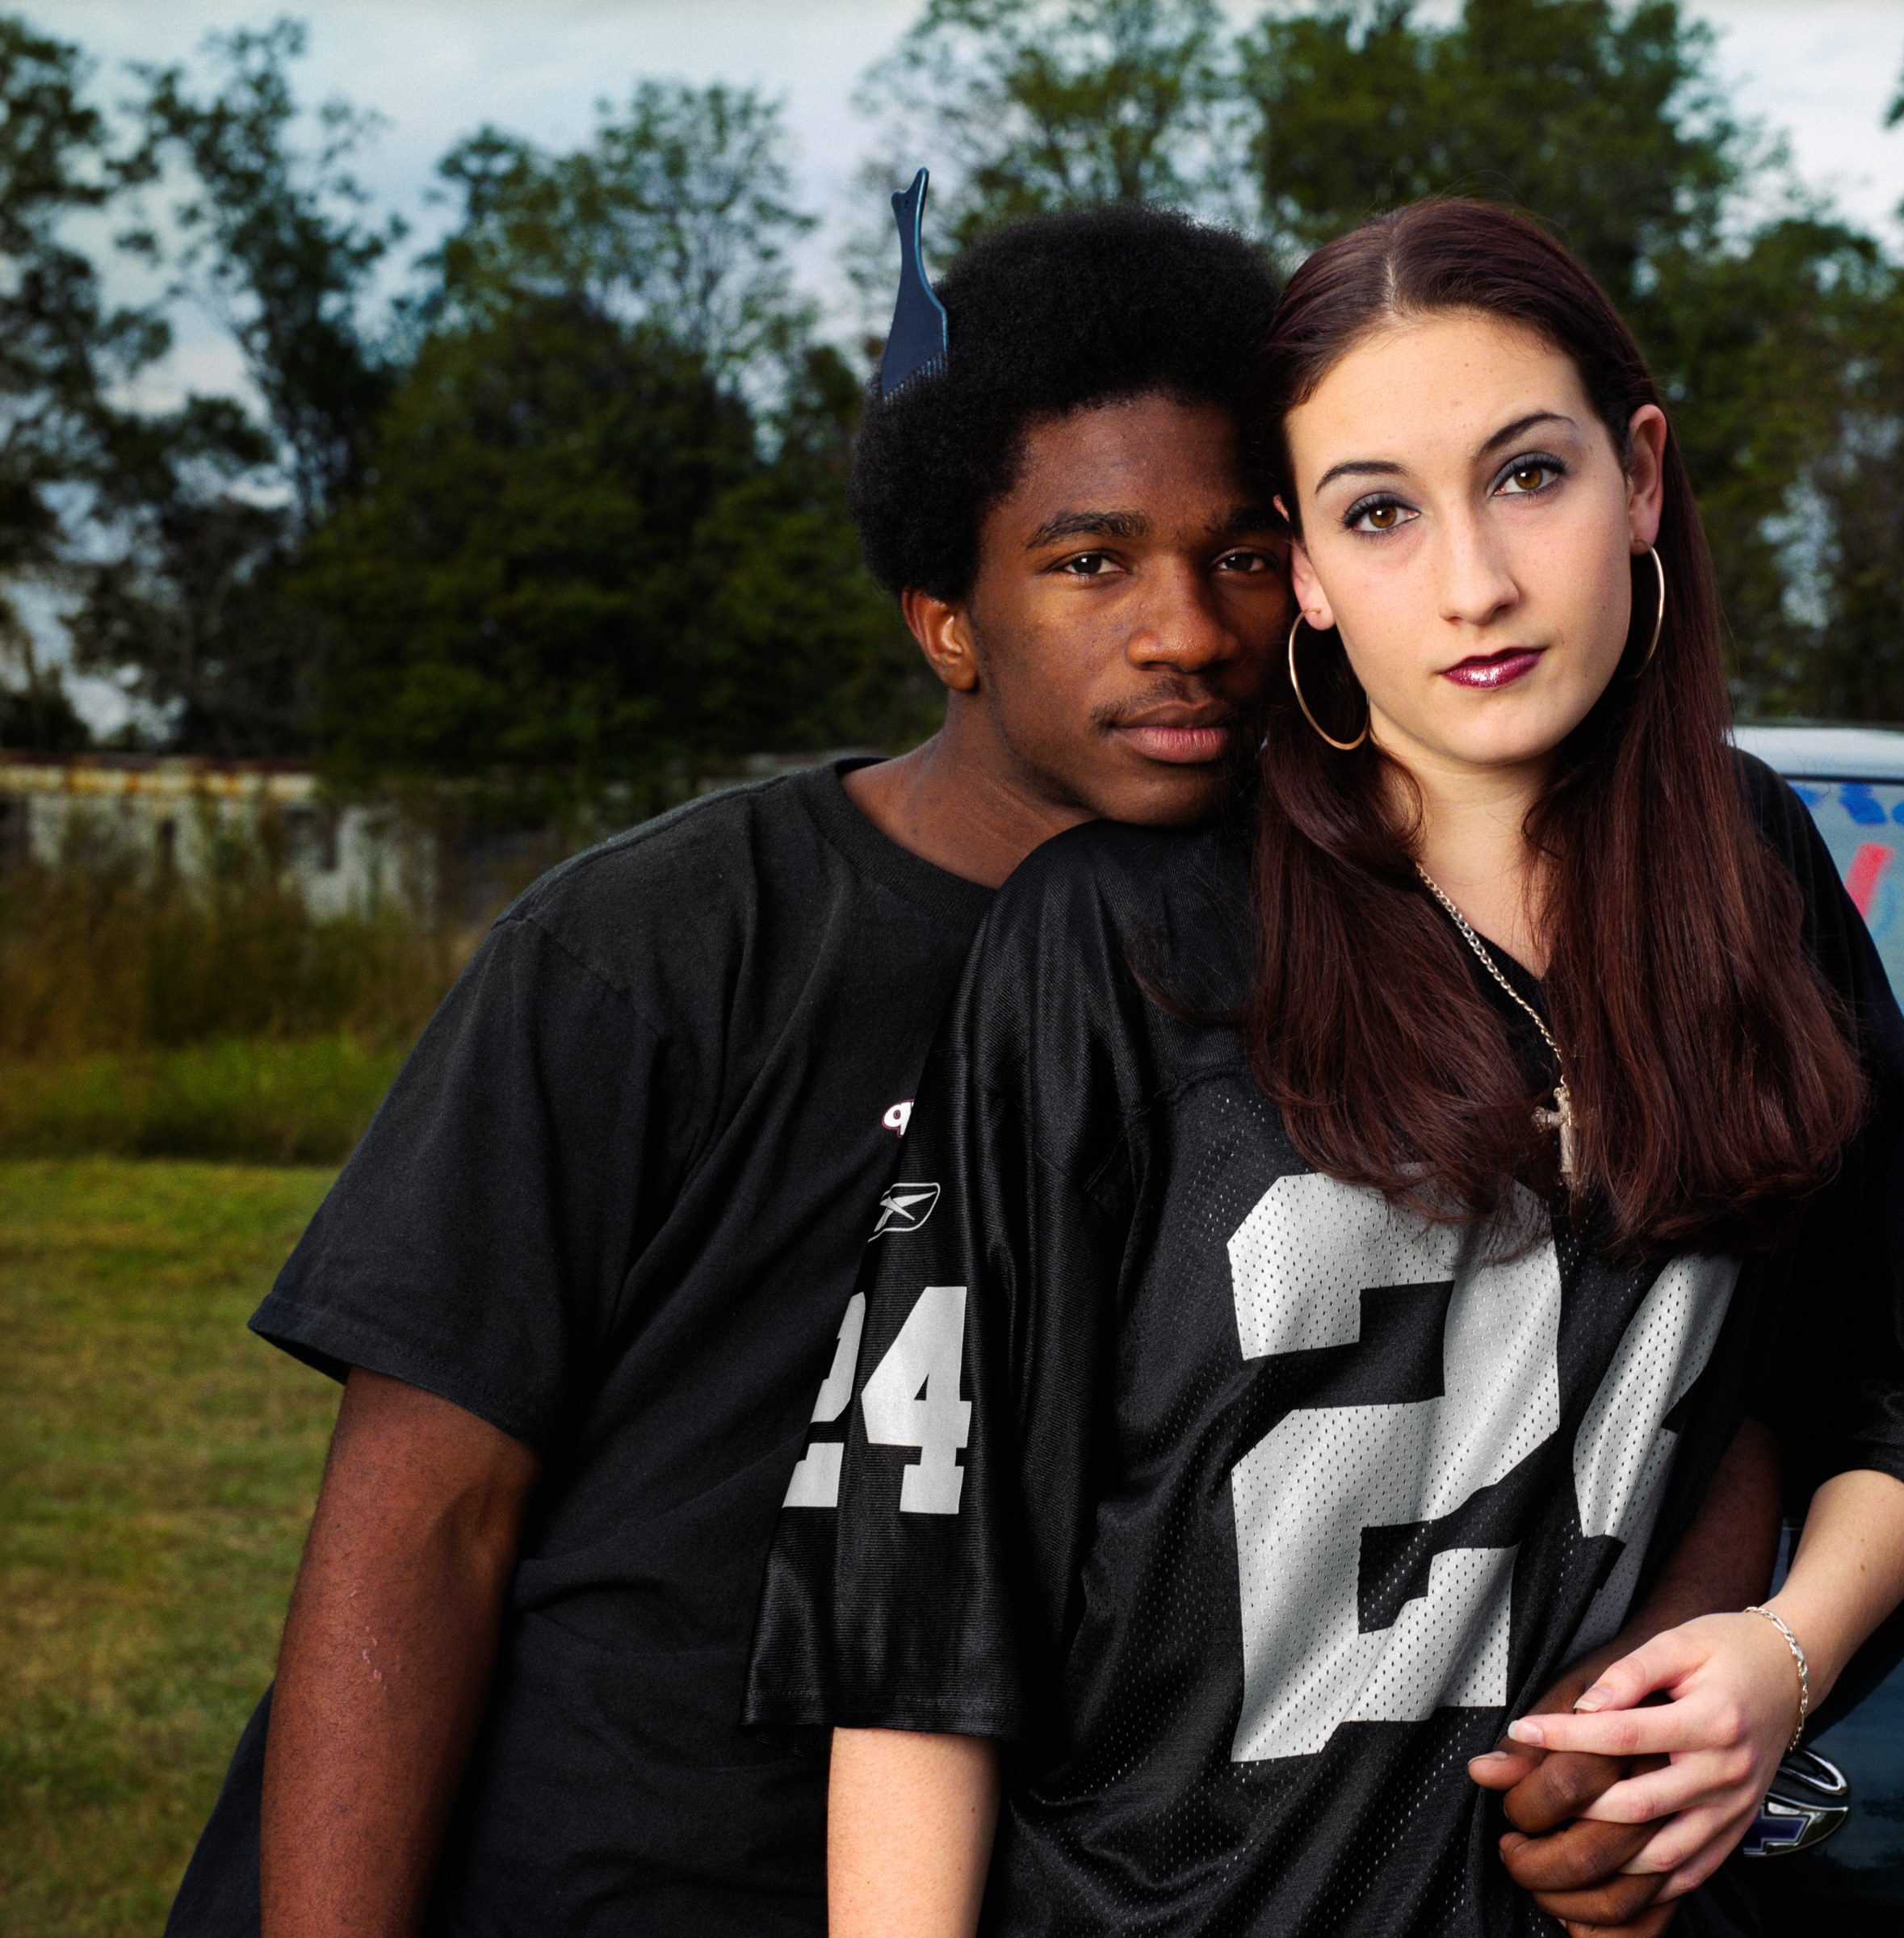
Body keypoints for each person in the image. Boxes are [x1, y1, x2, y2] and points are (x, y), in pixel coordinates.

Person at [756, 198, 1904, 1937]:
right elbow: (925, 1608)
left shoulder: (1747, 878)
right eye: (1377, 512)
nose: (1472, 583)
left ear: (1639, 476)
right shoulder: (1120, 940)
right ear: (1301, 566)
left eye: (1527, 475)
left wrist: (1777, 1653)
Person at [161, 198, 1302, 1938]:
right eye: (1088, 561)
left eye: (1238, 552)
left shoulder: (1303, 970)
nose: (1186, 631)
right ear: (947, 618)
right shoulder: (661, 945)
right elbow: (423, 1525)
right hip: (592, 1871)